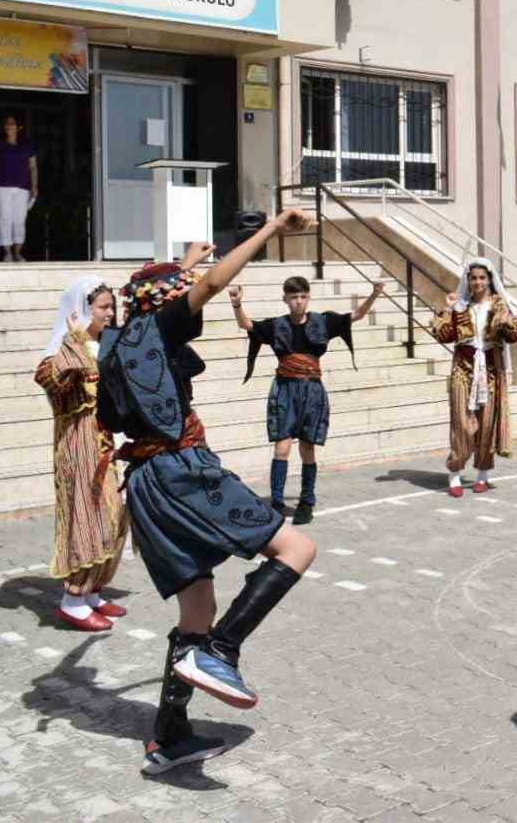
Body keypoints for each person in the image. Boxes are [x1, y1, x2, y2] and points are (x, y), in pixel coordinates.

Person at [96, 213, 317, 776]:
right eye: (179, 292)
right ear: (164, 302)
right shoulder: (160, 325)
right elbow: (210, 287)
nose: (188, 300)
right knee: (297, 550)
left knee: (198, 608)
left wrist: (185, 261)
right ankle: (221, 652)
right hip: (181, 470)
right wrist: (270, 230)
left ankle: (169, 736)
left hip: (144, 484)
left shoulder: (116, 340)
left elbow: (157, 289)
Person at [230, 275, 385, 524]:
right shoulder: (276, 325)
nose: (298, 302)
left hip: (312, 391)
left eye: (302, 297)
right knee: (282, 446)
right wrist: (237, 304)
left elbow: (356, 315)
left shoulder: (323, 321)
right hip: (284, 389)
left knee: (307, 447)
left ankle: (306, 501)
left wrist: (375, 294)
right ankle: (277, 503)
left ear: (308, 297)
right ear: (285, 299)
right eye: (293, 297)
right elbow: (247, 325)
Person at [35, 276, 128, 632]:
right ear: (80, 311)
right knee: (86, 518)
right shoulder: (60, 350)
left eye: (111, 307)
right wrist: (74, 341)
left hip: (103, 442)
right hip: (77, 445)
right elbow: (51, 383)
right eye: (104, 307)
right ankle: (72, 600)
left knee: (112, 515)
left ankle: (91, 590)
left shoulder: (102, 345)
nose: (110, 313)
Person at [430, 258, 517, 498]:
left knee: (486, 425)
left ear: (490, 280)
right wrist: (449, 309)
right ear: (468, 280)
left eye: (482, 277)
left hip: (491, 371)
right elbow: (444, 335)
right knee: (461, 424)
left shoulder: (499, 305)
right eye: (473, 278)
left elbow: (515, 334)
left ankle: (483, 474)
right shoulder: (461, 306)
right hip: (463, 370)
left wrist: (505, 324)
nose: (478, 282)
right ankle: (455, 474)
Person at [0, 115, 37, 263]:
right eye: (7, 124)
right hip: (2, 187)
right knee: (5, 219)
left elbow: (33, 167)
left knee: (20, 220)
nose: (8, 126)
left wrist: (35, 186)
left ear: (19, 127)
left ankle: (18, 253)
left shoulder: (27, 146)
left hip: (23, 188)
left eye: (12, 123)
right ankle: (7, 253)